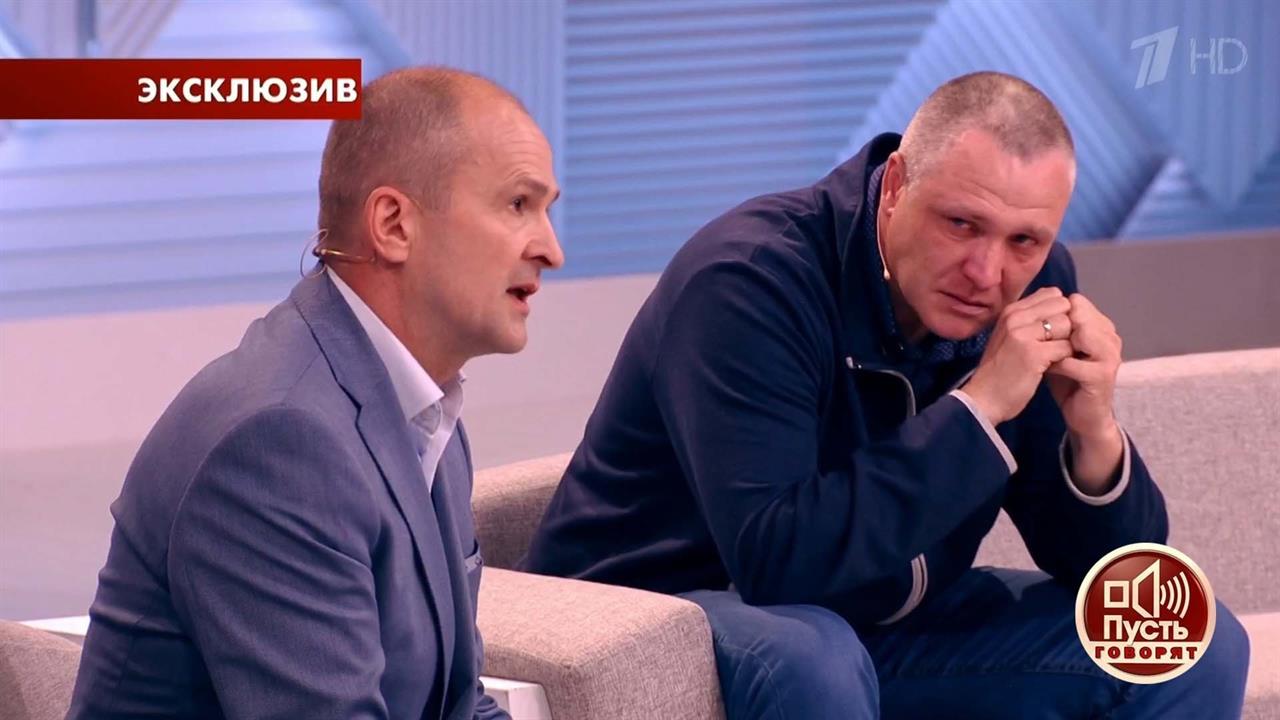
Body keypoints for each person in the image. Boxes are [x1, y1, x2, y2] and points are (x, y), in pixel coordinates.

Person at [522, 71, 1248, 718]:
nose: (986, 272)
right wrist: (979, 410)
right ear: (896, 186)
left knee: (1182, 644)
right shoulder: (750, 280)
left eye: (1024, 241)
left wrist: (1093, 438)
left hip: (880, 623)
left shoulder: (1033, 285)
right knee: (814, 653)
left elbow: (1107, 573)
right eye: (961, 224)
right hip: (662, 607)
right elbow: (777, 559)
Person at [68, 66, 564, 719]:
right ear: (393, 224)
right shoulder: (278, 440)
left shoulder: (426, 412)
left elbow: (457, 705)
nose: (551, 249)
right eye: (518, 205)